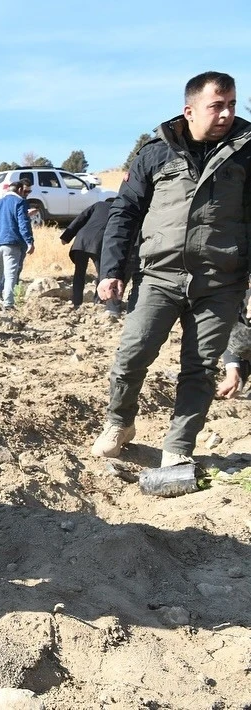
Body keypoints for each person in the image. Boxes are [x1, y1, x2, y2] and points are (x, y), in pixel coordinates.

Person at [91, 71, 251, 468]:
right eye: (217, 105)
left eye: (231, 104)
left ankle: (178, 448)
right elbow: (125, 212)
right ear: (190, 110)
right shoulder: (155, 153)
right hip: (159, 277)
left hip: (221, 281)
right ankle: (119, 422)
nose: (227, 113)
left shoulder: (247, 153)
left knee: (198, 368)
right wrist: (111, 270)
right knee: (132, 354)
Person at [58, 197, 120, 314]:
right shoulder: (117, 209)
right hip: (99, 243)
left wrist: (66, 237)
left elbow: (80, 218)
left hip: (81, 241)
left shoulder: (98, 205)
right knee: (103, 274)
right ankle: (98, 301)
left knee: (79, 274)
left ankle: (77, 302)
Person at [0, 179, 34, 310]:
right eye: (25, 191)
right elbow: (23, 224)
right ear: (20, 190)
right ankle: (8, 303)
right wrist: (29, 241)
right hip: (11, 243)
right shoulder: (20, 202)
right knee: (11, 274)